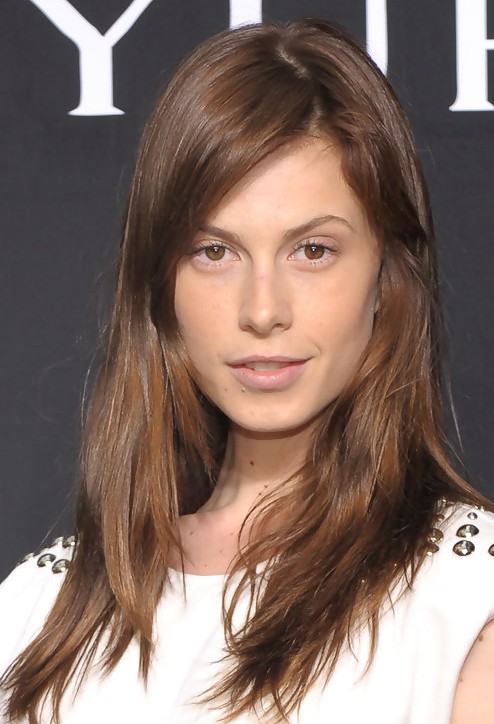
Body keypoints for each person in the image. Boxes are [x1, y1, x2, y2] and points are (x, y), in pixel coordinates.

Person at [1, 17, 494, 724]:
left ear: (387, 277)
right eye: (215, 252)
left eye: (313, 251)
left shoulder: (467, 598)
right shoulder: (38, 610)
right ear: (162, 285)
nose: (263, 310)